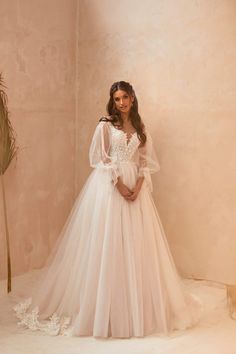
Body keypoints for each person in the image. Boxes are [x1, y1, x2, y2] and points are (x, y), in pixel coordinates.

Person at [13, 81, 203, 338]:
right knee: (107, 245)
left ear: (133, 98)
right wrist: (119, 185)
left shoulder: (140, 128)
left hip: (136, 190)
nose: (121, 103)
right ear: (112, 101)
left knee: (136, 247)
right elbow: (99, 158)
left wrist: (137, 186)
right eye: (117, 99)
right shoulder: (105, 124)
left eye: (125, 97)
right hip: (109, 189)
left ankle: (135, 308)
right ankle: (103, 310)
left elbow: (146, 162)